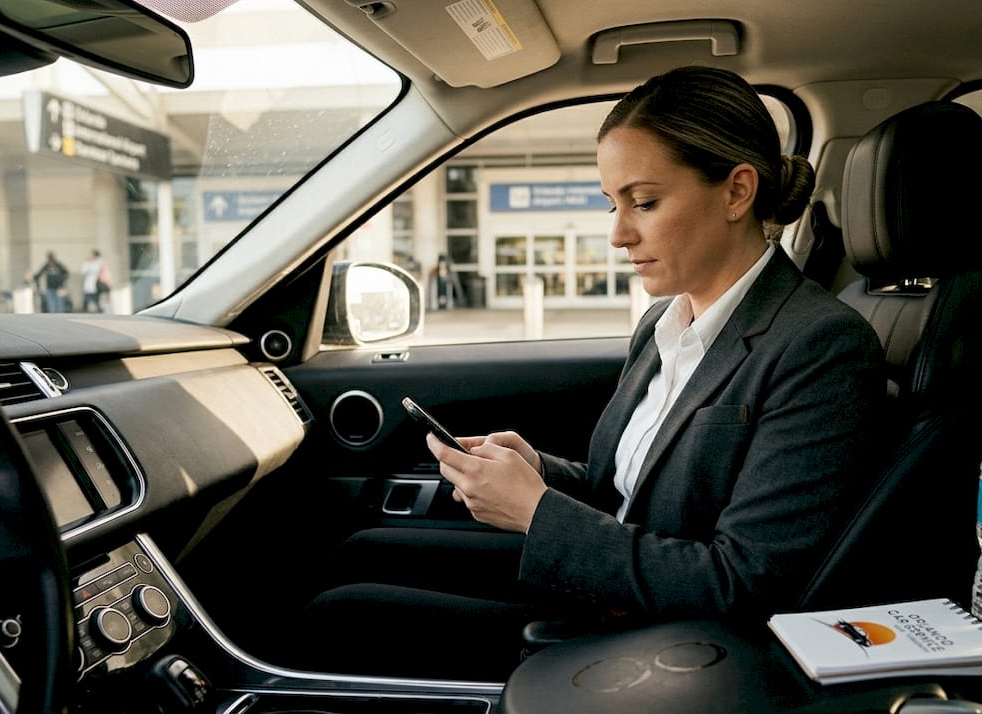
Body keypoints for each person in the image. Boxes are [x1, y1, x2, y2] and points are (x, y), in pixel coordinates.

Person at [295, 66, 887, 680]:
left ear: (737, 192)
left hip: (656, 629)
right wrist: (540, 474)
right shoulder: (664, 323)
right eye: (613, 204)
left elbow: (742, 582)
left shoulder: (820, 345)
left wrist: (537, 513)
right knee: (360, 551)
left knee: (339, 615)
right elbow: (629, 492)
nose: (617, 235)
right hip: (605, 573)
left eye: (645, 202)